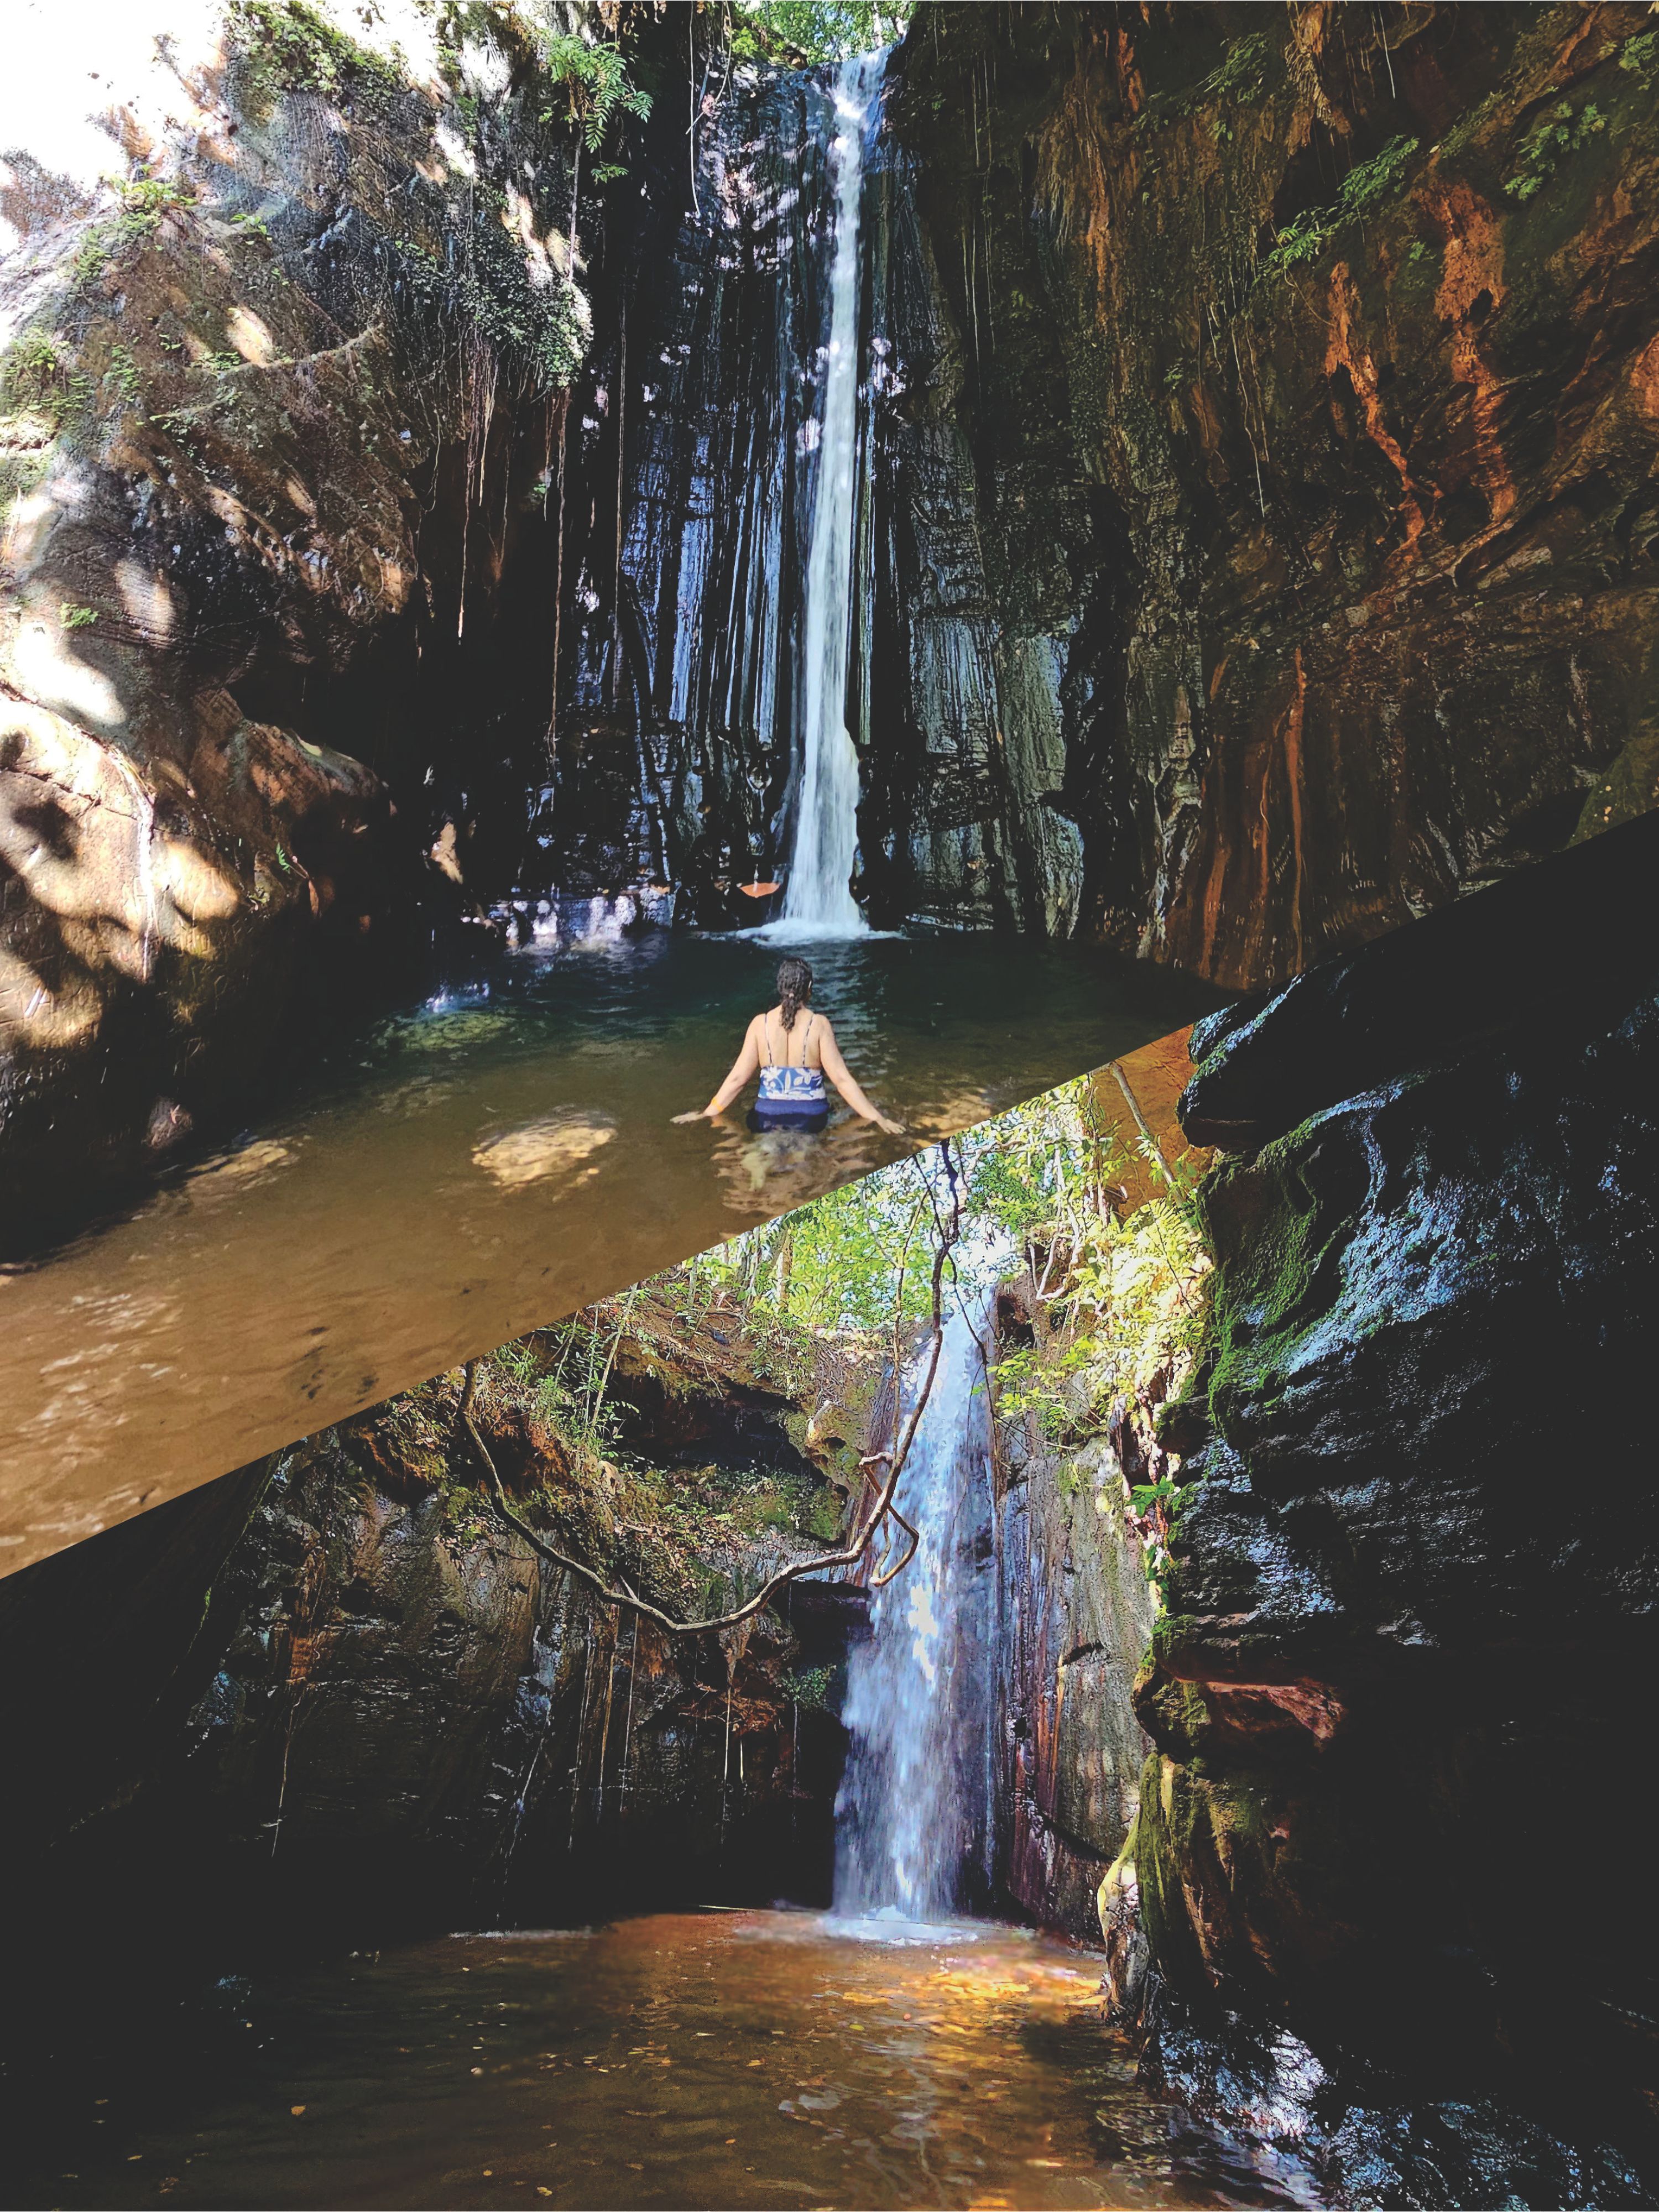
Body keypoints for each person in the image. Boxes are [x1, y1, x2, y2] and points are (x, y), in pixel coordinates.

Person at [672, 957, 905, 1135]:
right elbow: (842, 1080)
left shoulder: (759, 1024)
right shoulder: (819, 1025)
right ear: (810, 987)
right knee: (808, 1151)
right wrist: (877, 1118)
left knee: (765, 1148)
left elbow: (738, 1080)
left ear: (780, 987)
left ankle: (758, 1166)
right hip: (812, 1117)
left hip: (767, 1116)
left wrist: (708, 1112)